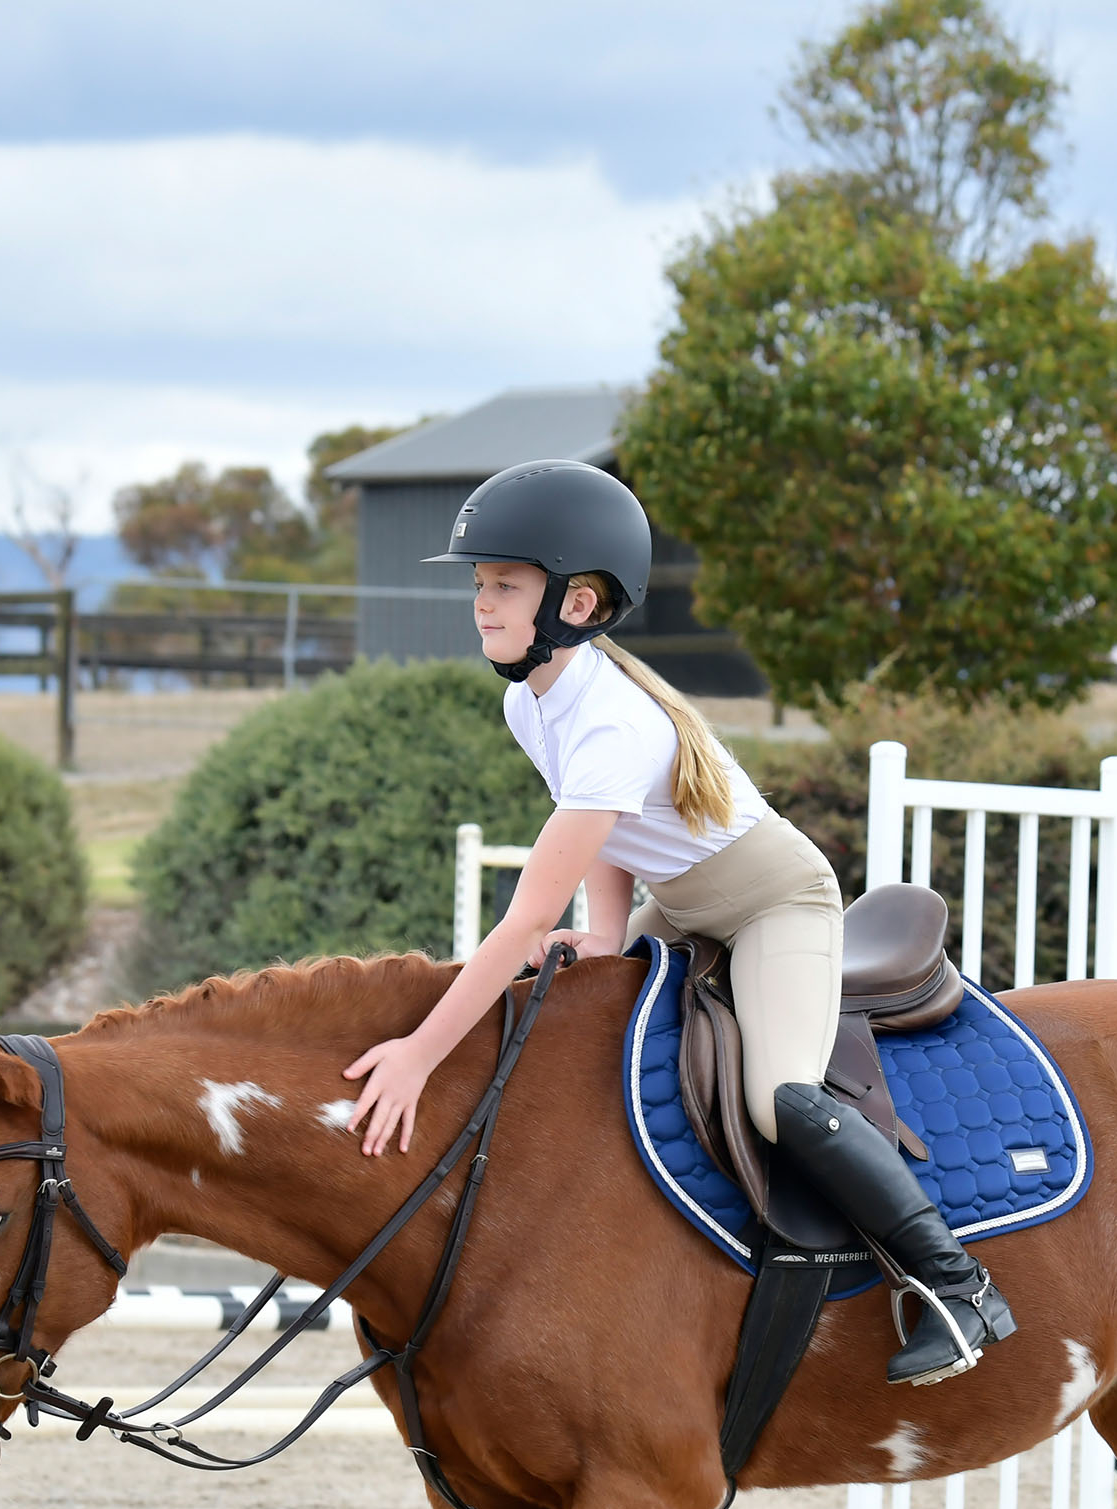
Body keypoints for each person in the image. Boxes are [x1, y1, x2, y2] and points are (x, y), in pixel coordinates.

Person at [344, 459, 1014, 1386]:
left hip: (774, 902)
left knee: (778, 1098)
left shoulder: (612, 723)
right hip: (684, 900)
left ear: (577, 604)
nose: (482, 604)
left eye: (504, 586)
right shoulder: (529, 702)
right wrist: (607, 934)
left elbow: (524, 922)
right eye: (480, 585)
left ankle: (958, 1285)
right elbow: (609, 834)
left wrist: (421, 1053)